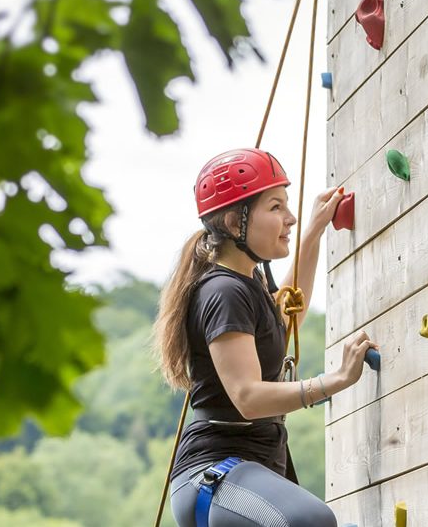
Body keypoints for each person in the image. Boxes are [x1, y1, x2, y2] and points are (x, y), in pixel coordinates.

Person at [153, 148, 378, 527]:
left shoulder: (248, 283)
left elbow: (290, 314)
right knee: (312, 520)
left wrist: (313, 233)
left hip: (247, 473)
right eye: (275, 207)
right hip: (217, 471)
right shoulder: (224, 292)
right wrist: (335, 381)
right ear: (234, 220)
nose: (288, 218)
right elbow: (248, 398)